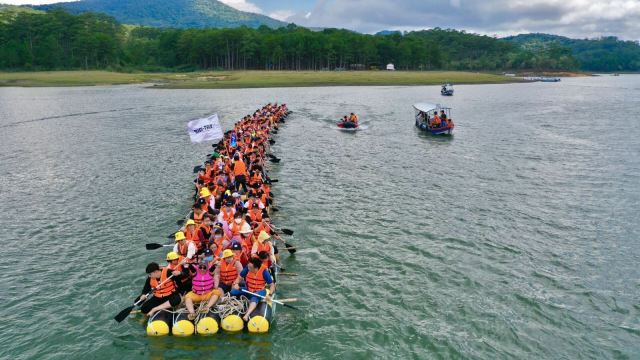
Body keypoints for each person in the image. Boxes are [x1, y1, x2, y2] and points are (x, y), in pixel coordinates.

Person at [230, 258, 276, 322]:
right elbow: (239, 278)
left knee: (254, 297)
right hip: (248, 290)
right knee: (233, 291)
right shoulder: (247, 268)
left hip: (259, 291)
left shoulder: (264, 272)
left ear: (256, 268)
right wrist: (236, 283)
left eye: (250, 267)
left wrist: (270, 295)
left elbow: (272, 285)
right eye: (248, 266)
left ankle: (247, 315)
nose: (248, 268)